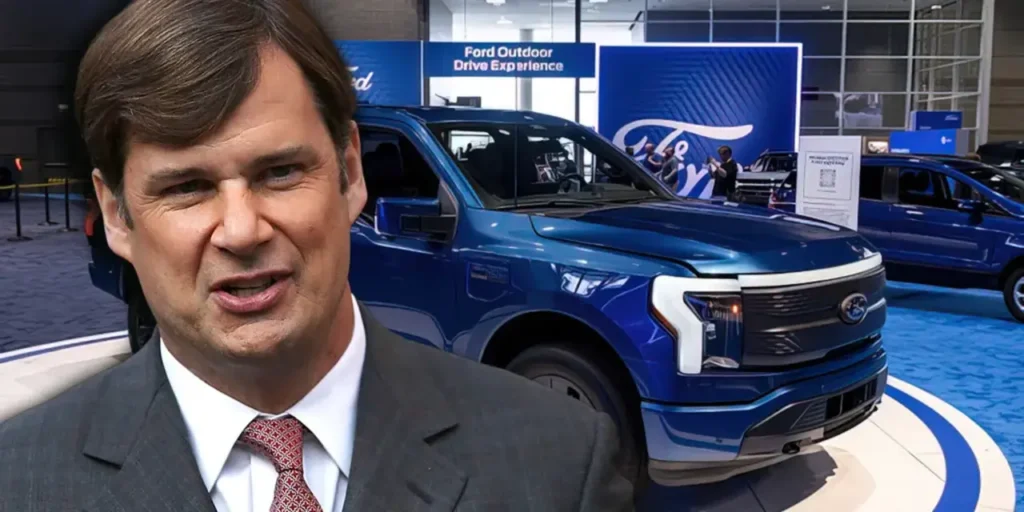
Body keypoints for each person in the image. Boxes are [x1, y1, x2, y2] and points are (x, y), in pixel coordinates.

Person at [0, 1, 634, 511]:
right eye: (186, 187)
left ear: (350, 173)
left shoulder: (559, 462)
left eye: (279, 172)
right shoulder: (20, 480)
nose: (241, 231)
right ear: (117, 215)